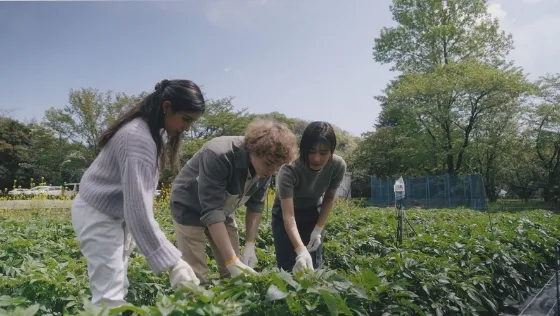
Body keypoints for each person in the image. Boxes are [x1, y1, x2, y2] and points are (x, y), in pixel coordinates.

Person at [71, 79, 205, 308]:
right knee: (109, 298)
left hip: (113, 214)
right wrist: (174, 263)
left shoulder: (153, 132)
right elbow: (138, 212)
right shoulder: (138, 139)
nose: (187, 128)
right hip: (99, 214)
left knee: (116, 287)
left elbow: (136, 206)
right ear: (166, 107)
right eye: (186, 119)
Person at [170, 119, 297, 285]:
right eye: (269, 165)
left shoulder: (266, 169)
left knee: (235, 275)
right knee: (195, 277)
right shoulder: (219, 154)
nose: (272, 171)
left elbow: (256, 206)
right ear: (254, 150)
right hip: (189, 206)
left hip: (224, 209)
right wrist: (232, 261)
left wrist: (250, 245)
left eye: (277, 167)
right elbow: (211, 211)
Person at [271, 121, 347, 273]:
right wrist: (300, 249)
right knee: (288, 267)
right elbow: (289, 216)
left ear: (332, 151)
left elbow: (329, 197)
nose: (317, 158)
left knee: (313, 266)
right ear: (303, 149)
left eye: (324, 153)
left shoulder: (337, 165)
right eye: (311, 151)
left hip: (313, 212)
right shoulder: (289, 168)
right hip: (286, 214)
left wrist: (318, 229)